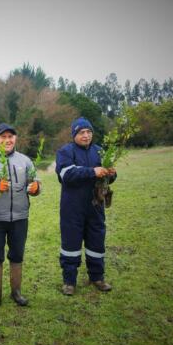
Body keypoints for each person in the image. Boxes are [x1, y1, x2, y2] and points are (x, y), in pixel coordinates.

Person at [0, 123, 41, 307]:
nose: (7, 140)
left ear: (15, 139)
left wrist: (36, 188)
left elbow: (35, 182)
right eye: (3, 137)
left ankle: (16, 292)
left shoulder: (25, 161)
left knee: (17, 254)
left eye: (10, 136)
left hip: (20, 217)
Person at [55, 117, 116, 296]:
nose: (86, 135)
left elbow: (107, 178)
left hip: (96, 205)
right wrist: (93, 171)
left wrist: (111, 174)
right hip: (72, 207)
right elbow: (67, 174)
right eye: (82, 132)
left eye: (89, 132)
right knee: (71, 244)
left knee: (96, 240)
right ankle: (69, 281)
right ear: (74, 134)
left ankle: (97, 277)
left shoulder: (100, 151)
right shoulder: (65, 151)